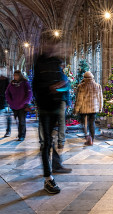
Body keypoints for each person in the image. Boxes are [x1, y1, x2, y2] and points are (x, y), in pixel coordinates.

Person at [33, 42, 72, 194]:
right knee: (46, 142)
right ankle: (48, 178)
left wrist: (63, 89)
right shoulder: (40, 64)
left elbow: (65, 85)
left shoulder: (56, 64)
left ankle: (55, 164)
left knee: (52, 140)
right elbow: (36, 86)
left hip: (56, 106)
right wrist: (51, 88)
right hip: (45, 108)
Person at [74, 71, 103, 146]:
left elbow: (79, 99)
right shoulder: (97, 86)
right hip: (94, 108)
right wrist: (100, 107)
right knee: (92, 123)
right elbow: (100, 98)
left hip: (84, 108)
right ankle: (92, 139)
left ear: (84, 78)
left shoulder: (81, 86)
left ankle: (87, 137)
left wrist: (76, 109)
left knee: (83, 123)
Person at [5, 70, 32, 141]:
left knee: (22, 121)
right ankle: (20, 133)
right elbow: (7, 93)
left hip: (23, 106)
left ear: (20, 76)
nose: (15, 77)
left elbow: (29, 94)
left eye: (16, 75)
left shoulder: (25, 83)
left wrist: (25, 102)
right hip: (14, 106)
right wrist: (10, 102)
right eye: (14, 75)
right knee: (18, 121)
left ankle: (22, 135)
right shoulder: (12, 84)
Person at [0, 73, 11, 137]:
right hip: (3, 99)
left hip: (4, 99)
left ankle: (8, 131)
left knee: (7, 115)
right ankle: (8, 131)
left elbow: (8, 89)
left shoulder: (5, 80)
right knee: (7, 116)